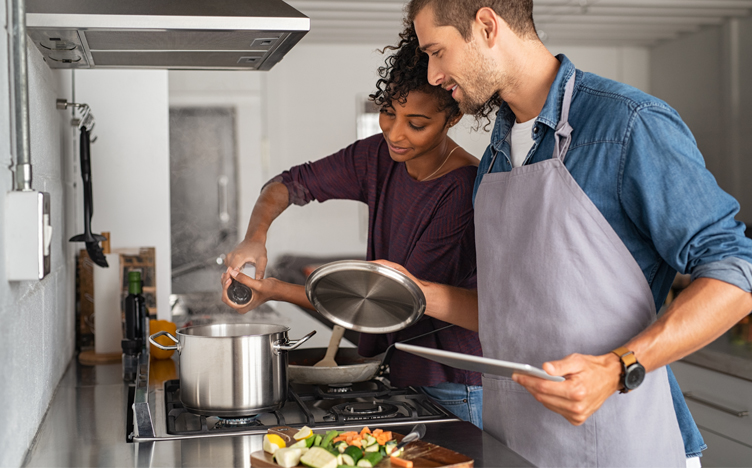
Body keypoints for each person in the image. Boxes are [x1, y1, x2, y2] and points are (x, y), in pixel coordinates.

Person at [371, 0, 752, 466]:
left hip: (621, 443)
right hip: (518, 441)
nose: (432, 75)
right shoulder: (494, 156)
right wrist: (410, 290)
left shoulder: (627, 124)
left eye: (437, 52)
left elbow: (735, 271)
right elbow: (515, 314)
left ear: (487, 26)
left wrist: (618, 369)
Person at [221, 30, 485, 428]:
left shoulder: (461, 188)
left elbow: (393, 304)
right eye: (388, 112)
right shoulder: (378, 155)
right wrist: (254, 237)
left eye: (416, 123)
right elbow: (288, 185)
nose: (395, 134)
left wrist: (275, 290)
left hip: (454, 383)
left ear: (453, 118)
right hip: (404, 369)